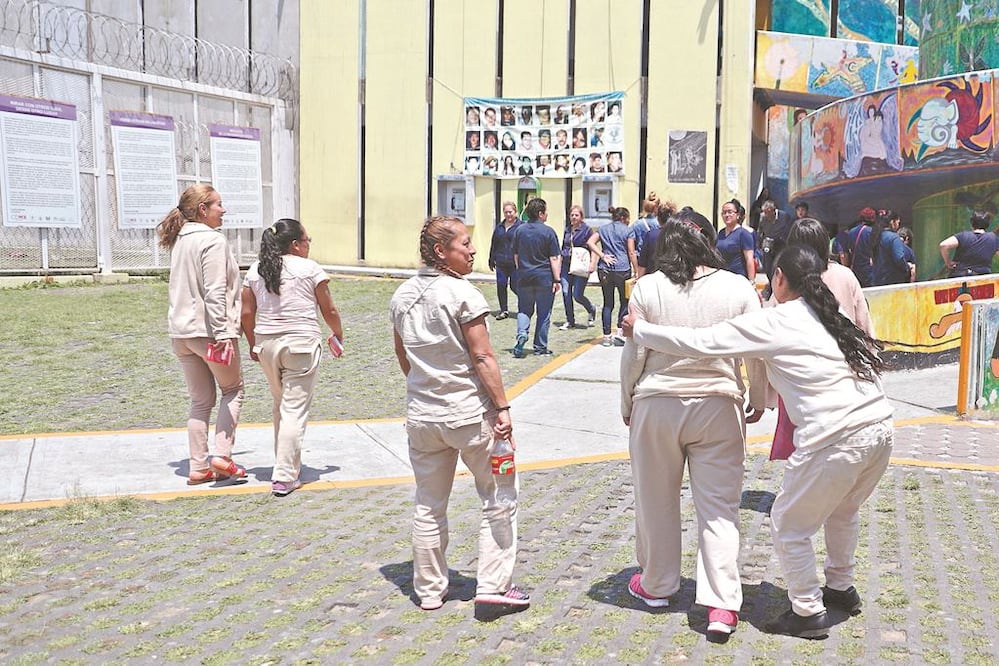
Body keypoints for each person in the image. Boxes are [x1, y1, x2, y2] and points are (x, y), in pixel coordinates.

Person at [623, 244, 893, 640]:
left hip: (837, 437)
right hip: (879, 427)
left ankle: (807, 610)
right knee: (842, 510)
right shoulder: (829, 315)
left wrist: (640, 331)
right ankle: (840, 588)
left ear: (779, 279)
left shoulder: (778, 321)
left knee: (789, 522)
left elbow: (705, 342)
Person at [620, 219, 767, 637]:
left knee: (655, 500)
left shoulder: (648, 288)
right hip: (719, 402)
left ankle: (657, 584)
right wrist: (757, 394)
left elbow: (635, 354)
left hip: (657, 401)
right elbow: (755, 347)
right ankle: (721, 605)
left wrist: (627, 400)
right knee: (720, 507)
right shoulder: (739, 288)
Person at [389, 216, 530, 612]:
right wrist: (502, 407)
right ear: (440, 252)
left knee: (428, 503)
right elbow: (482, 355)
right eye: (465, 244)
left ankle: (430, 590)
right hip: (469, 413)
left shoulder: (401, 295)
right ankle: (494, 583)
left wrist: (427, 386)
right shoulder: (462, 294)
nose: (472, 250)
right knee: (499, 495)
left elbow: (403, 356)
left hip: (422, 415)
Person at [241, 219, 344, 497]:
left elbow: (246, 313)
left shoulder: (256, 269)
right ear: (296, 245)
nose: (309, 245)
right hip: (300, 343)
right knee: (293, 410)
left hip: (267, 344)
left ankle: (286, 462)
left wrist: (252, 344)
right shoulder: (309, 269)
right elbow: (329, 309)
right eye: (308, 240)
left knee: (282, 405)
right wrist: (338, 333)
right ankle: (284, 475)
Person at [157, 185, 246, 485]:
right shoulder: (212, 241)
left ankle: (198, 466)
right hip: (209, 332)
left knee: (200, 401)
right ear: (203, 209)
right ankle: (222, 456)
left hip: (181, 334)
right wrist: (223, 333)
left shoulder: (180, 240)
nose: (225, 210)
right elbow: (215, 291)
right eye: (219, 204)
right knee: (233, 389)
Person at [512, 198, 561, 357]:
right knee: (544, 312)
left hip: (524, 276)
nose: (547, 214)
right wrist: (557, 279)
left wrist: (521, 271)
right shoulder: (548, 232)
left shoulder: (520, 230)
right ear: (540, 214)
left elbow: (516, 256)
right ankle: (540, 347)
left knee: (524, 309)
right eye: (545, 211)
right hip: (544, 277)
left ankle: (521, 333)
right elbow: (554, 258)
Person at [588, 206, 636, 346]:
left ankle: (607, 336)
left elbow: (590, 242)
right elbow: (631, 252)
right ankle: (620, 332)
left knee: (608, 303)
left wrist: (602, 255)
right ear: (623, 218)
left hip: (605, 269)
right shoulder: (628, 230)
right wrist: (636, 269)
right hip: (623, 269)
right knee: (624, 301)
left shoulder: (603, 229)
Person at [557, 204, 598, 330]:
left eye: (576, 215)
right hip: (566, 265)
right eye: (572, 215)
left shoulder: (587, 230)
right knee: (565, 292)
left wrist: (592, 264)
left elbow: (593, 248)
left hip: (580, 265)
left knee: (577, 295)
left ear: (581, 217)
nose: (574, 217)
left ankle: (591, 309)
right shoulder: (567, 229)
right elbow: (563, 247)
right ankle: (570, 320)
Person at [940, 210, 999, 277]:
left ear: (972, 222)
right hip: (982, 279)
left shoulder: (963, 236)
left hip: (959, 277)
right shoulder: (993, 239)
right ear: (987, 224)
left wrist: (948, 262)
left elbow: (943, 245)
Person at [488, 201, 521, 319]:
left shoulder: (521, 226)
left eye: (510, 212)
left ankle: (525, 306)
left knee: (515, 286)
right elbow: (494, 243)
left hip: (515, 263)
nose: (508, 214)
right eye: (506, 212)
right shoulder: (499, 227)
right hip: (501, 261)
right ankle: (503, 310)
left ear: (515, 212)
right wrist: (491, 259)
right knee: (501, 285)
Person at [717, 199, 757, 282]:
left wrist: (752, 281)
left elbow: (749, 259)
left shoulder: (744, 234)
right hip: (723, 278)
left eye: (730, 212)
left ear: (738, 215)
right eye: (724, 213)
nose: (727, 215)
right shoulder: (721, 233)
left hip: (738, 279)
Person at [835, 207, 875, 287]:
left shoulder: (851, 232)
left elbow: (845, 252)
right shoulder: (872, 232)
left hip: (856, 270)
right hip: (869, 271)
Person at [870, 209, 912, 286]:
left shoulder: (876, 236)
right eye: (898, 222)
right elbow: (899, 258)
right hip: (892, 281)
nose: (898, 225)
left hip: (877, 280)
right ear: (892, 222)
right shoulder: (894, 238)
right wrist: (907, 267)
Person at [757, 199, 793, 284]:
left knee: (779, 267)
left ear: (774, 211)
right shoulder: (763, 218)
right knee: (768, 268)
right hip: (768, 246)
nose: (766, 215)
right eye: (765, 212)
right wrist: (760, 243)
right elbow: (760, 231)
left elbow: (788, 231)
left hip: (781, 246)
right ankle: (771, 285)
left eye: (768, 212)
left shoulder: (784, 217)